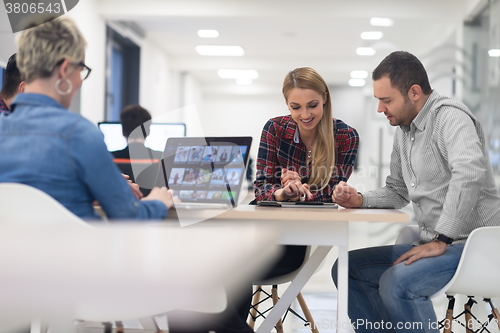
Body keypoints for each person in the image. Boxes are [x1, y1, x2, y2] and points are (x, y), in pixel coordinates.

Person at [331, 51, 500, 333]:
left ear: (414, 92)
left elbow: (469, 174)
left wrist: (441, 238)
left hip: (475, 248)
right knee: (347, 269)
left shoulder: (451, 117)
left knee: (400, 283)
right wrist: (359, 199)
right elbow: (397, 191)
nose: (380, 109)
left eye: (386, 100)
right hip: (437, 245)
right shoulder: (404, 130)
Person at [0, 16, 173, 220]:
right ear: (65, 70)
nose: (80, 81)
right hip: (74, 249)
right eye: (81, 70)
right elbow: (128, 215)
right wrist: (158, 202)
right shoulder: (79, 133)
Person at [245, 67, 359, 320]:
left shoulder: (345, 136)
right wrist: (282, 194)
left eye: (313, 105)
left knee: (229, 267)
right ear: (287, 104)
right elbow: (261, 188)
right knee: (223, 262)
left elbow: (333, 193)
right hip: (260, 232)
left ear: (325, 98)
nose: (305, 115)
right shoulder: (274, 128)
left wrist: (300, 193)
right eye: (295, 107)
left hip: (295, 239)